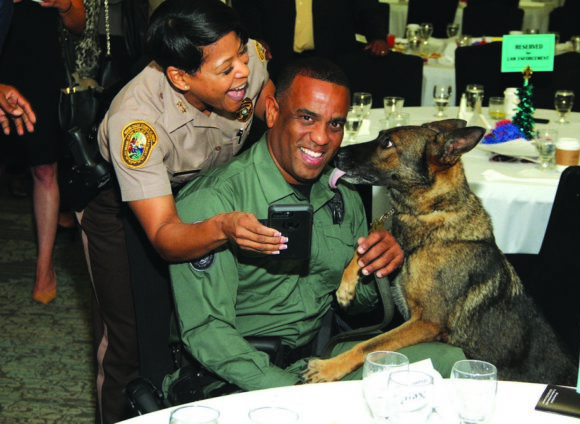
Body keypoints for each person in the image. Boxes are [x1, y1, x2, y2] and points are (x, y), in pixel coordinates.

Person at [165, 58, 465, 395]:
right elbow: (208, 332)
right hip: (237, 377)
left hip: (319, 362)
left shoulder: (342, 193)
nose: (322, 138)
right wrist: (296, 395)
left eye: (335, 124)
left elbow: (355, 305)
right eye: (307, 118)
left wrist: (376, 267)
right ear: (274, 112)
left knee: (450, 363)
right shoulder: (215, 202)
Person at [79, 0, 281, 421]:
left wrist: (268, 106)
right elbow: (165, 235)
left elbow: (262, 84)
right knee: (133, 342)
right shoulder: (137, 125)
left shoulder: (244, 60)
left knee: (211, 325)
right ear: (180, 77)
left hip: (208, 196)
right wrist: (224, 229)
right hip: (132, 214)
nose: (242, 69)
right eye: (226, 70)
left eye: (241, 53)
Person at [0, 0, 86, 303]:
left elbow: (79, 22)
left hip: (38, 63)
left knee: (44, 166)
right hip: (4, 56)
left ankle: (44, 266)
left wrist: (62, 5)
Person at [231, 0, 391, 79]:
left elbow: (367, 6)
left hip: (332, 55)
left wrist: (377, 36)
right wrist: (254, 36)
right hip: (278, 55)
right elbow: (246, 6)